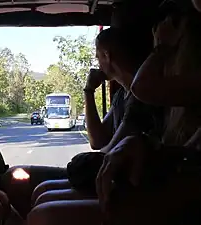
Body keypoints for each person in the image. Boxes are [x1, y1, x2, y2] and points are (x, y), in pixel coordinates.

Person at [31, 27, 163, 206]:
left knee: (44, 199)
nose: (98, 64)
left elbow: (106, 152)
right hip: (116, 177)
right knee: (42, 190)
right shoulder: (120, 97)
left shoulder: (140, 99)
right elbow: (97, 140)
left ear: (107, 56)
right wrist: (89, 91)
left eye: (98, 57)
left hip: (130, 184)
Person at [97, 1, 201, 224]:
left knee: (46, 211)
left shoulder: (181, 87)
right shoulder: (120, 98)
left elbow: (142, 88)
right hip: (174, 180)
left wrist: (161, 49)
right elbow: (99, 142)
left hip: (181, 188)